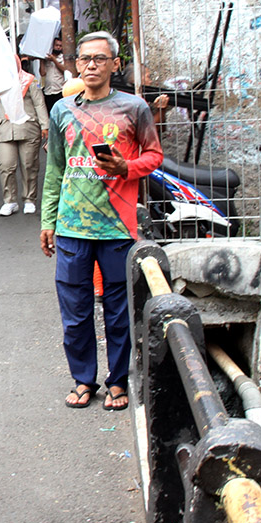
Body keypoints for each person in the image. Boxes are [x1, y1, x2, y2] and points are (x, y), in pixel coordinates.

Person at [40, 31, 162, 411]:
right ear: (76, 65)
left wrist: (127, 167)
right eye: (84, 59)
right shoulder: (62, 111)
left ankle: (117, 381)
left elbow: (154, 156)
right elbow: (56, 169)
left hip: (116, 229)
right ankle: (82, 379)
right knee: (75, 314)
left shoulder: (134, 108)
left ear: (114, 64)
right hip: (71, 228)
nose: (90, 65)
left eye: (99, 58)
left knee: (118, 313)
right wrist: (47, 219)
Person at [0, 61, 49, 216]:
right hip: (5, 129)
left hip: (28, 128)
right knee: (6, 165)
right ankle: (10, 201)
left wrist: (44, 125)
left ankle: (29, 199)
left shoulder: (29, 80)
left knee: (29, 165)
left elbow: (39, 104)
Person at [40, 36, 72, 112]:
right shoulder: (47, 58)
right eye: (56, 45)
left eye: (60, 46)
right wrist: (41, 60)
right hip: (48, 91)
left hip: (59, 91)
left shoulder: (62, 58)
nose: (58, 47)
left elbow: (64, 70)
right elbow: (42, 73)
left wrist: (54, 60)